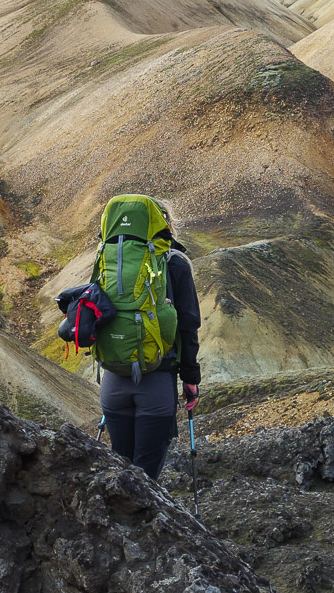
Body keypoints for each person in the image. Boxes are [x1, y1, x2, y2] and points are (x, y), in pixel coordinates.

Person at [98, 203, 200, 480]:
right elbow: (188, 325)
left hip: (113, 383)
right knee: (145, 479)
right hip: (156, 381)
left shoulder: (109, 260)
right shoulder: (175, 262)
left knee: (120, 465)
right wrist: (191, 378)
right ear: (164, 224)